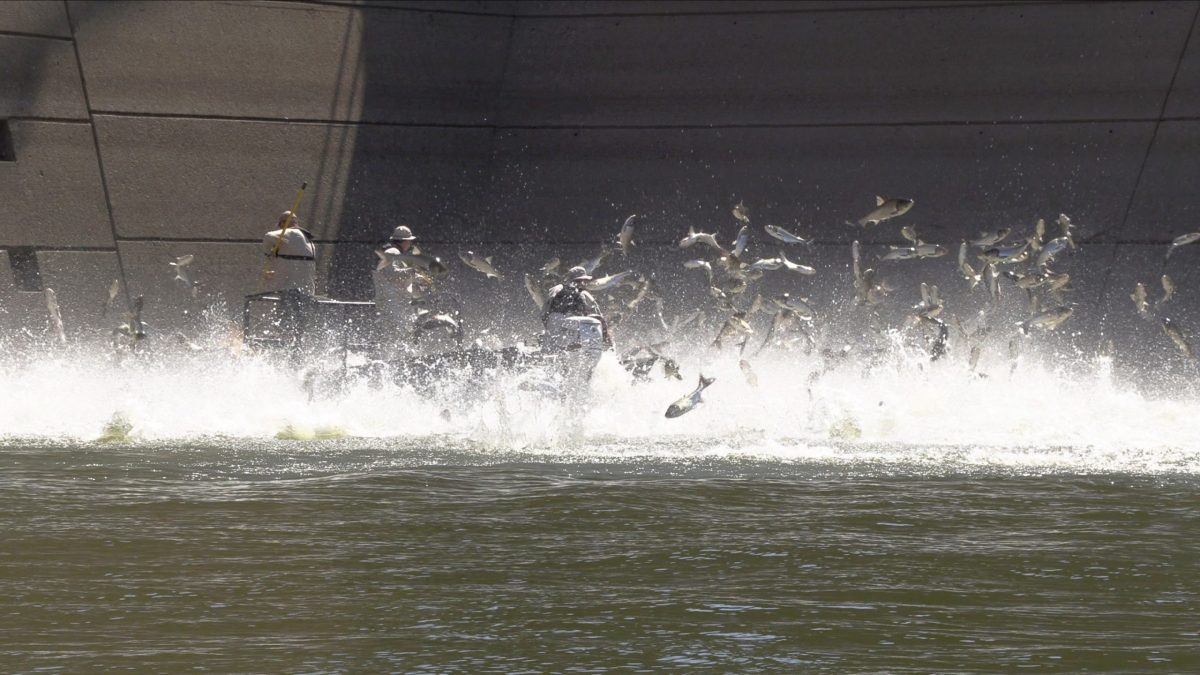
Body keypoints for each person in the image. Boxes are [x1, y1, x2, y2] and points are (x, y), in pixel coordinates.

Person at [542, 266, 611, 349]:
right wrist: (548, 323)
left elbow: (590, 314)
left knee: (597, 319)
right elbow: (546, 309)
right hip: (559, 324)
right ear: (575, 281)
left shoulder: (582, 294)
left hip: (575, 327)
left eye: (585, 281)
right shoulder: (559, 289)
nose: (585, 283)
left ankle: (606, 346)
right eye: (583, 281)